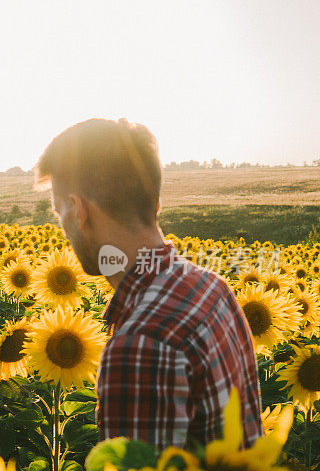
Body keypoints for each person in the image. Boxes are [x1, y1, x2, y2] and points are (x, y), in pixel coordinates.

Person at [33, 118, 262, 450]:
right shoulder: (212, 287)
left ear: (78, 210)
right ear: (155, 203)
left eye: (59, 213)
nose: (62, 229)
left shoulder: (141, 342)